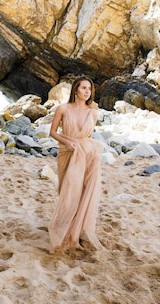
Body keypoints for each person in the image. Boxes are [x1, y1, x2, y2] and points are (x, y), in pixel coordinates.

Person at [48, 75, 104, 252]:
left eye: (89, 89)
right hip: (68, 153)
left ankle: (75, 235)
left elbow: (89, 137)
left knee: (84, 193)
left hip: (87, 154)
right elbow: (52, 132)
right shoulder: (63, 109)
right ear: (75, 90)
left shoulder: (93, 112)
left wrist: (89, 151)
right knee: (68, 190)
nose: (87, 92)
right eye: (83, 88)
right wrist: (67, 143)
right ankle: (63, 229)